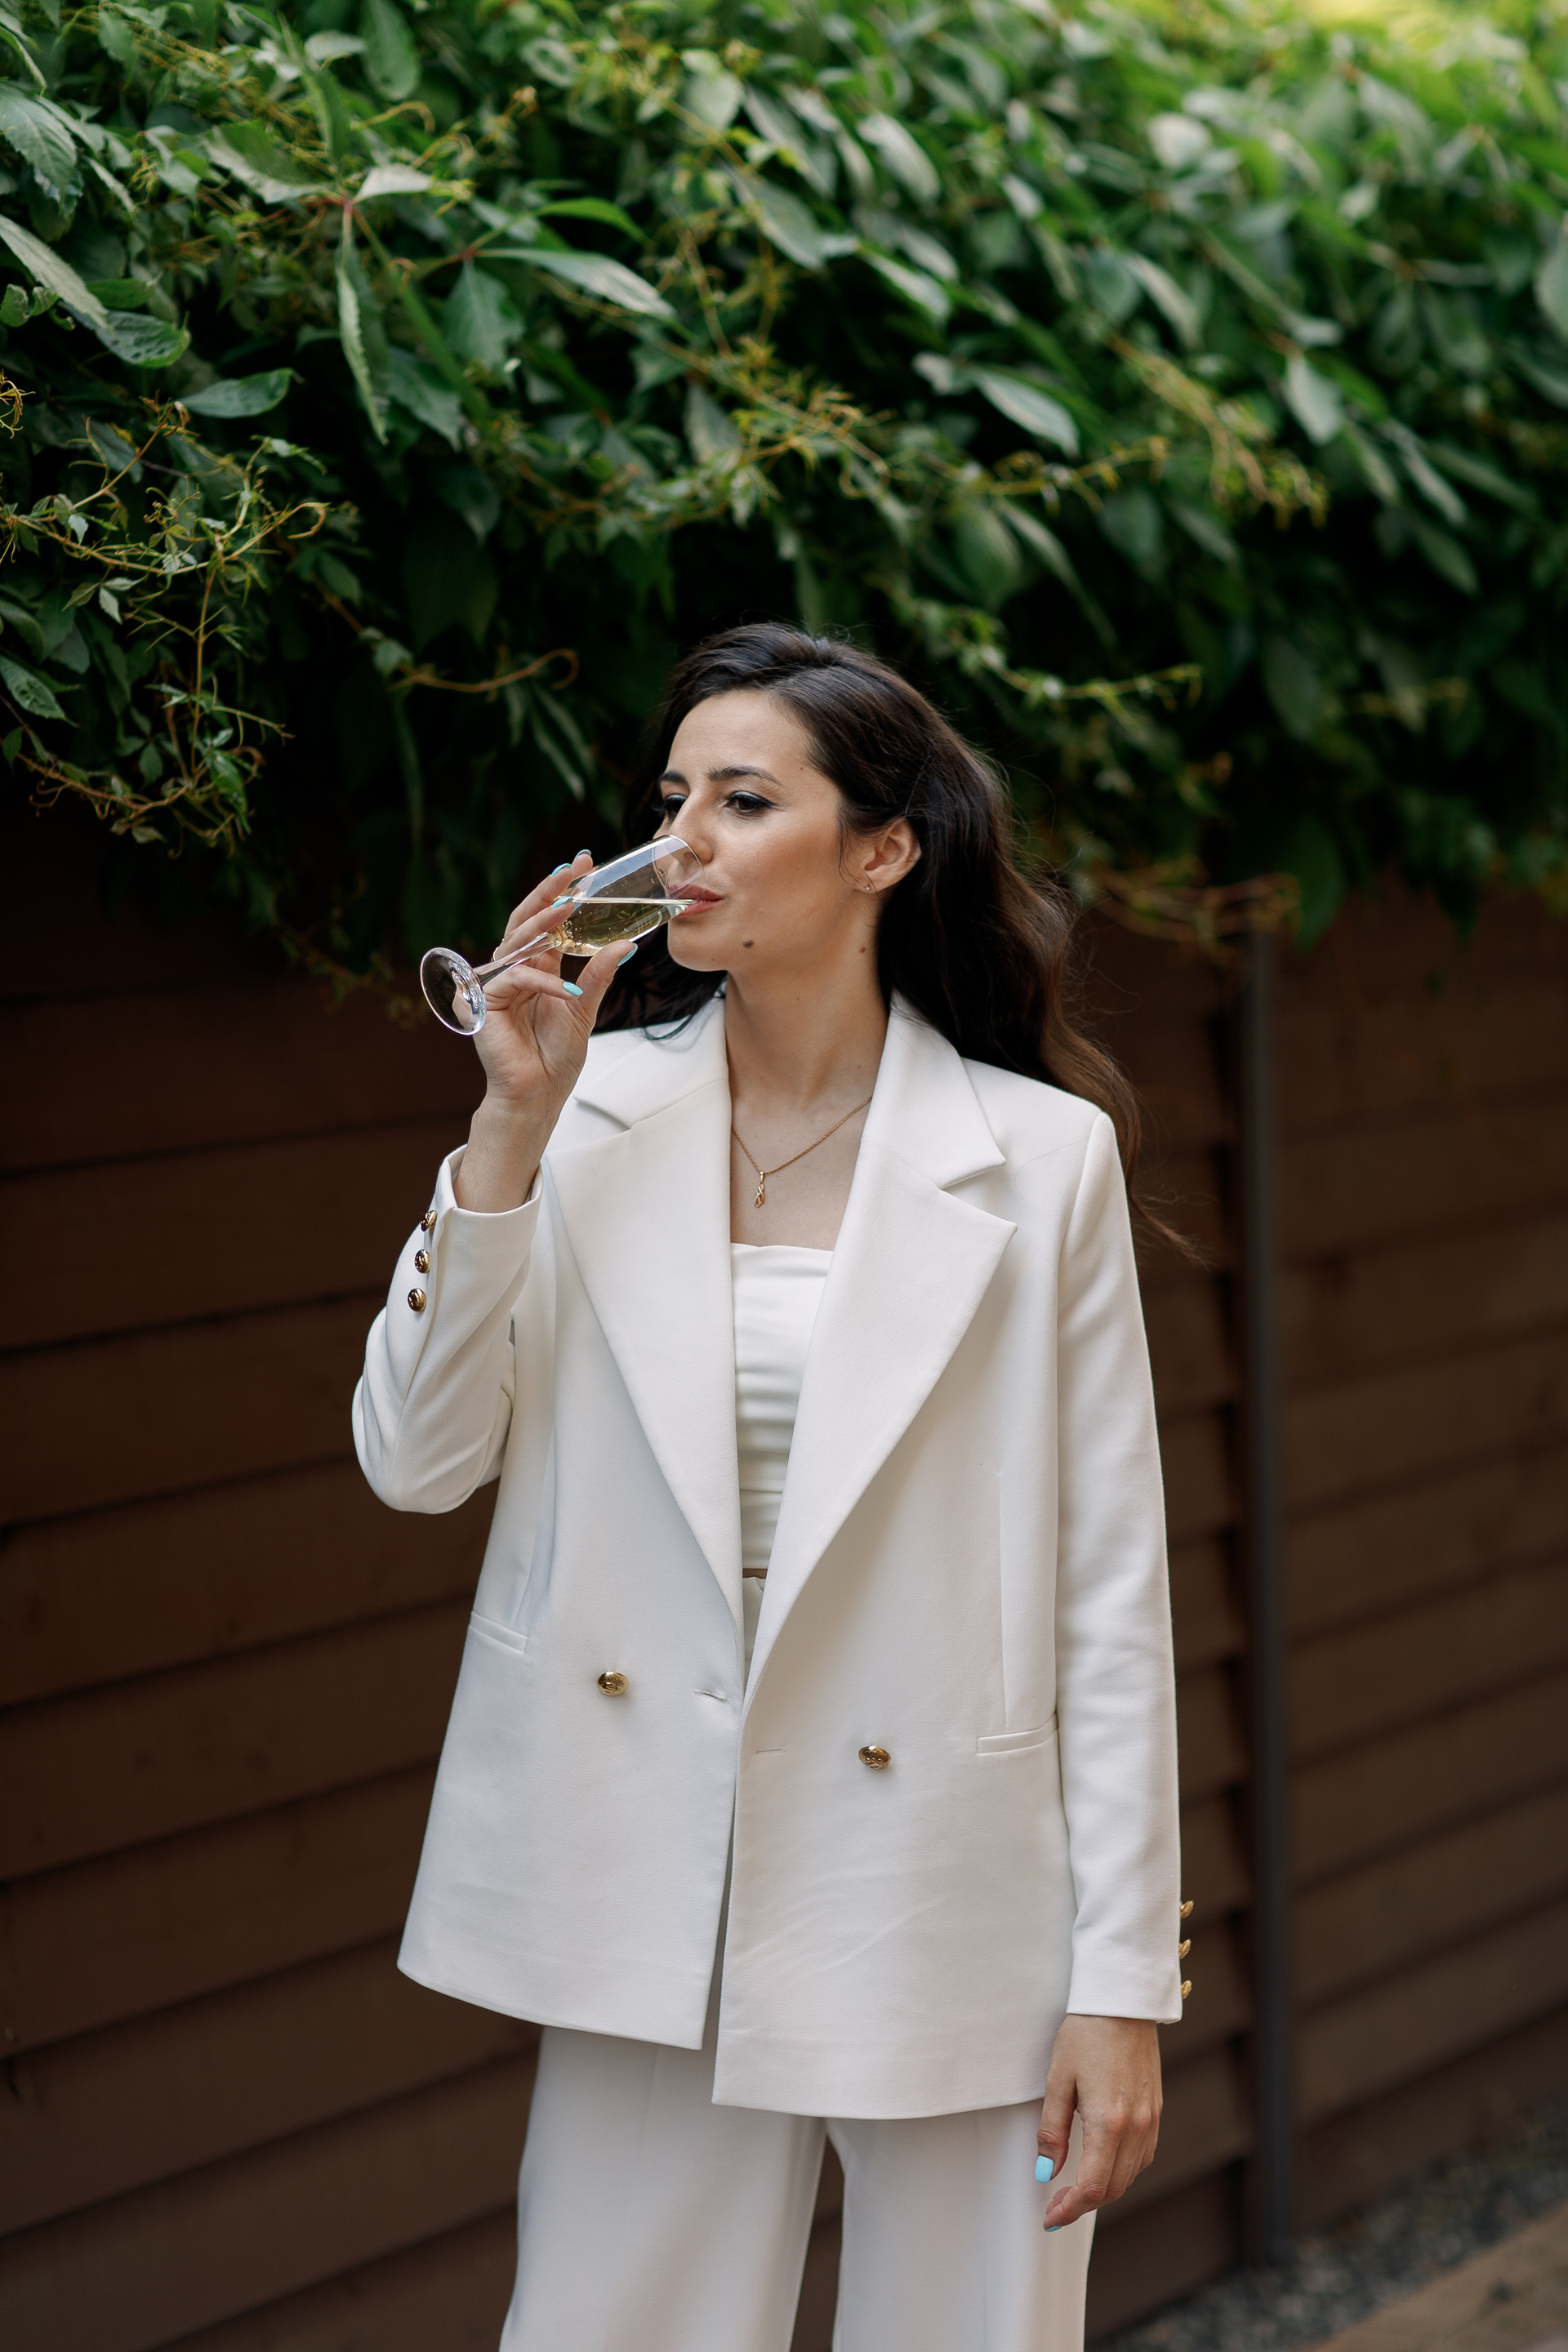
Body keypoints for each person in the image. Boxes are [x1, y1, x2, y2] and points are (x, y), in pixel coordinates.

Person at [353, 624, 1185, 2352]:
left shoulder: (1042, 1160)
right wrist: (505, 1133)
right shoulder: (581, 1119)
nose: (683, 846)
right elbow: (417, 1465)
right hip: (643, 1863)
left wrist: (1122, 1985)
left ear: (884, 849)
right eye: (672, 800)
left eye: (742, 801)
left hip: (950, 1881)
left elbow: (1110, 1596)